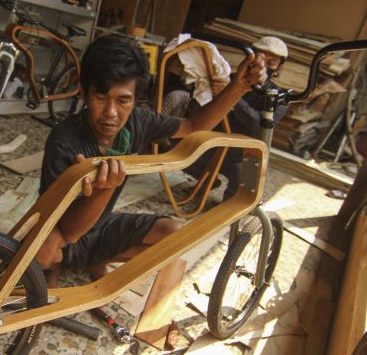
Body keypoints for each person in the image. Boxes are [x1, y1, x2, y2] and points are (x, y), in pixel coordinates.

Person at [35, 35, 267, 287]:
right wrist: (102, 191)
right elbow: (69, 231)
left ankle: (97, 258)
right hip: (65, 231)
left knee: (176, 235)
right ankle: (54, 267)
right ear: (83, 93)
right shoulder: (64, 140)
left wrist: (238, 87)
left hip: (102, 225)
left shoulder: (138, 122)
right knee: (43, 250)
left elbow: (193, 125)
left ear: (135, 100)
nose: (111, 113)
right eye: (101, 98)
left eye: (123, 100)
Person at [163, 36, 290, 200]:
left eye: (270, 63)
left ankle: (223, 193)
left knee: (240, 195)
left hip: (239, 154)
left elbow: (259, 126)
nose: (262, 66)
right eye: (260, 58)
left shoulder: (279, 97)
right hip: (210, 144)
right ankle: (207, 179)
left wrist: (233, 94)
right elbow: (200, 109)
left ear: (279, 68)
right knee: (168, 148)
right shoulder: (228, 78)